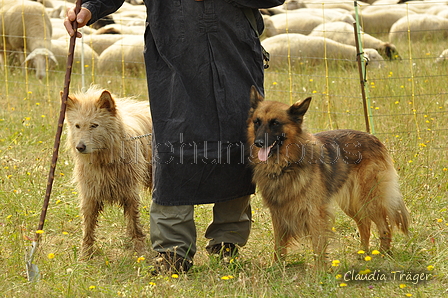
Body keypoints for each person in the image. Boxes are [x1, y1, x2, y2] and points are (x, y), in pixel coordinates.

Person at [65, 0, 285, 273]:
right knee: (174, 149)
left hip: (233, 52)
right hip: (173, 56)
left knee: (235, 144)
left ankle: (227, 242)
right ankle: (173, 251)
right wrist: (91, 7)